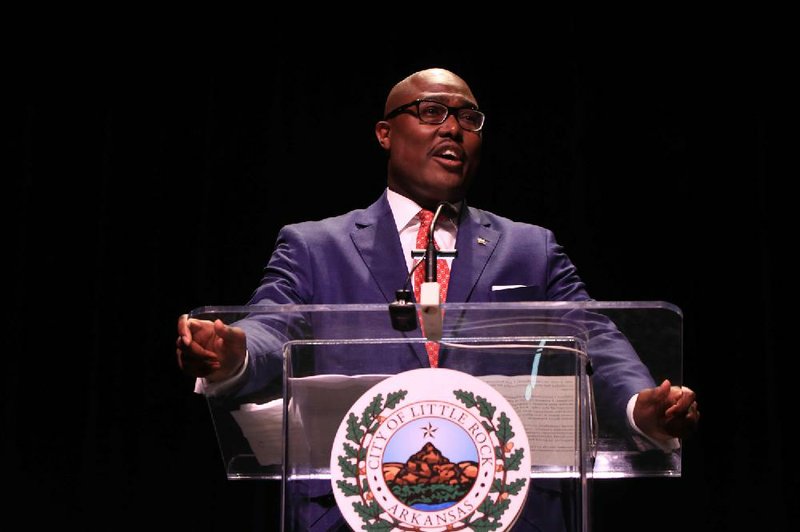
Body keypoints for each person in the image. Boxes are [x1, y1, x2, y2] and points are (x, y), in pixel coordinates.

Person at [176, 67, 699, 530]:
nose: (453, 128)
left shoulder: (528, 249)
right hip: (352, 509)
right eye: (431, 112)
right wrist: (235, 351)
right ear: (385, 133)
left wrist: (639, 406)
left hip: (507, 508)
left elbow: (593, 336)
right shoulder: (316, 246)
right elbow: (275, 323)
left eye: (469, 118)